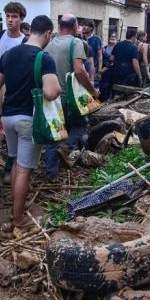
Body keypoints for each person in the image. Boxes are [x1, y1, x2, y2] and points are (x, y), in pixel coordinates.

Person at [0, 15, 60, 236]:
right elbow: (51, 92)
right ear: (47, 33)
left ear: (31, 31)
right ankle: (18, 220)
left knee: (15, 165)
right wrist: (47, 87)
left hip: (8, 117)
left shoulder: (9, 54)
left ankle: (15, 210)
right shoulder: (44, 57)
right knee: (24, 171)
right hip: (28, 120)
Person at [44, 14, 99, 181]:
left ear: (60, 27)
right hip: (69, 98)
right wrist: (93, 90)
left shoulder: (48, 45)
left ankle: (50, 175)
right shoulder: (75, 43)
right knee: (82, 124)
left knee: (56, 134)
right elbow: (79, 70)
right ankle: (66, 147)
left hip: (52, 98)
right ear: (75, 27)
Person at [0, 2, 28, 184]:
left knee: (14, 132)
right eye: (8, 16)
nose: (10, 20)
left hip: (15, 91)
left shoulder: (24, 41)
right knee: (1, 131)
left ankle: (12, 167)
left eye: (14, 16)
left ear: (21, 19)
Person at [82, 19, 103, 84]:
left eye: (86, 25)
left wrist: (99, 71)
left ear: (91, 28)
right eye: (83, 25)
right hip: (82, 67)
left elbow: (100, 56)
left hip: (93, 68)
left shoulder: (96, 39)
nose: (83, 27)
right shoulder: (80, 38)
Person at [99, 31, 117, 101]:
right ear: (109, 37)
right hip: (105, 71)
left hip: (114, 70)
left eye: (114, 37)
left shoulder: (117, 48)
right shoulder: (104, 48)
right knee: (104, 87)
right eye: (111, 36)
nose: (112, 38)